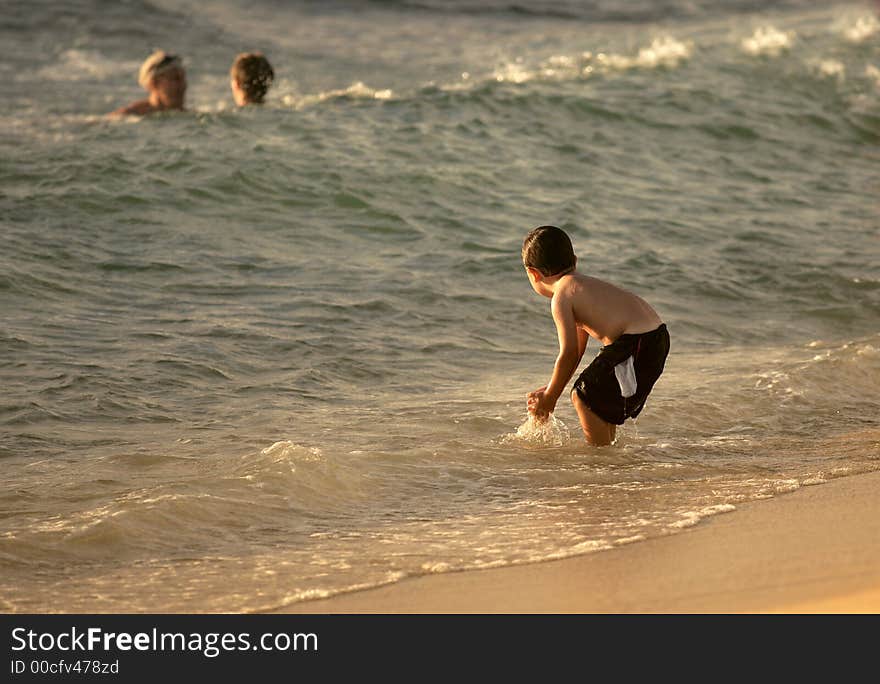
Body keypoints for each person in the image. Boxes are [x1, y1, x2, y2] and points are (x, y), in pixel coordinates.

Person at [523, 225, 670, 446]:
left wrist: (550, 398)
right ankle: (609, 457)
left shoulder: (562, 296)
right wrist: (552, 388)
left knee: (584, 397)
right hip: (654, 337)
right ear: (575, 259)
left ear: (534, 274)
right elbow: (578, 352)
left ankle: (601, 463)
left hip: (638, 341)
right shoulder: (580, 286)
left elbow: (569, 353)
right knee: (598, 401)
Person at [110, 50, 187, 116]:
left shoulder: (189, 116)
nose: (182, 86)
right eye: (175, 79)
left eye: (182, 78)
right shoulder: (129, 116)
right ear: (153, 83)